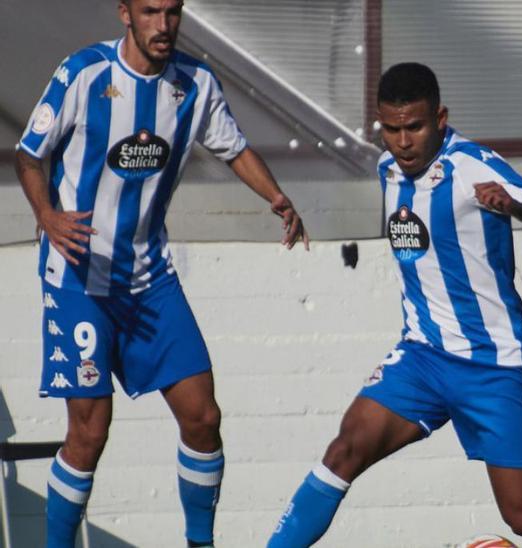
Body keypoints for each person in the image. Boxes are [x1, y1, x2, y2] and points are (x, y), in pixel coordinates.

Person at [266, 63, 522, 548]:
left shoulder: (473, 165)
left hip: (494, 365)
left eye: (415, 127)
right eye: (392, 129)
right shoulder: (387, 169)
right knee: (344, 451)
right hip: (422, 358)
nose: (403, 141)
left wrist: (515, 206)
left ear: (440, 118)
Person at [14, 0, 309, 546]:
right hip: (79, 279)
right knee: (89, 433)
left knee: (203, 417)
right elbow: (29, 156)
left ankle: (201, 542)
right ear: (124, 13)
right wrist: (47, 217)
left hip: (150, 280)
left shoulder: (194, 83)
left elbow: (233, 147)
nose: (164, 25)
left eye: (173, 12)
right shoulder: (83, 73)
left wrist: (277, 197)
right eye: (151, 12)